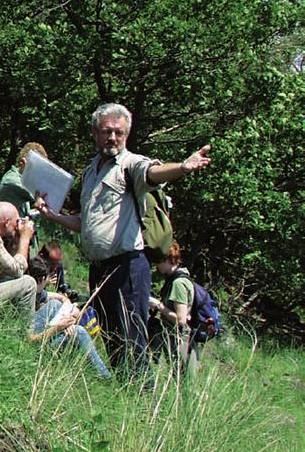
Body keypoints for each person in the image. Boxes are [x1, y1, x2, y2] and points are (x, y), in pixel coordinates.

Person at [34, 102, 211, 373]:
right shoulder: (91, 171)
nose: (112, 138)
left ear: (127, 134)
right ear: (95, 133)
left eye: (119, 132)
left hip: (127, 268)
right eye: (106, 131)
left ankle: (142, 400)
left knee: (131, 339)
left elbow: (152, 172)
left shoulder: (130, 165)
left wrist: (183, 168)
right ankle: (125, 393)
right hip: (99, 269)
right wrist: (53, 216)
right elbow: (86, 222)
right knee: (111, 338)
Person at [29, 258, 111, 378]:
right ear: (41, 280)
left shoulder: (38, 293)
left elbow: (62, 298)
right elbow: (31, 339)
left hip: (51, 333)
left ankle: (93, 368)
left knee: (56, 304)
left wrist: (68, 316)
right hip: (37, 347)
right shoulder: (27, 300)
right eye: (47, 279)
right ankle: (105, 376)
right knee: (79, 331)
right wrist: (59, 328)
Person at [148, 242, 203, 373]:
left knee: (182, 381)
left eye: (158, 261)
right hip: (175, 338)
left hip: (180, 340)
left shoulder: (178, 283)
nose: (156, 265)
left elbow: (181, 320)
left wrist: (158, 306)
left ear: (167, 260)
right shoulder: (174, 279)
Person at [0, 142, 47, 219]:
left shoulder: (24, 180)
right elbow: (38, 196)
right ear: (23, 162)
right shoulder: (12, 181)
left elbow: (24, 212)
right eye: (36, 166)